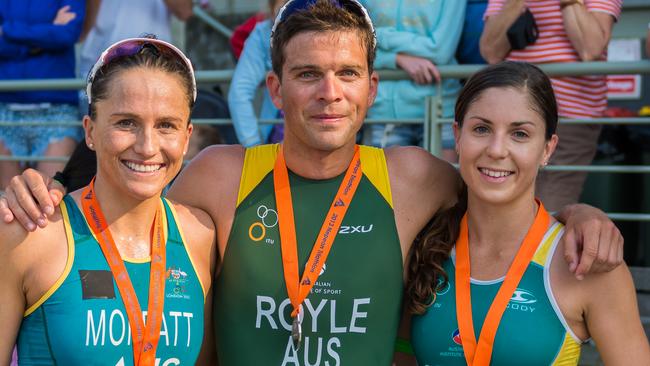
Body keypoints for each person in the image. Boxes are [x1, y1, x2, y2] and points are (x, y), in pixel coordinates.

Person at [0, 1, 625, 364]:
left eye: (347, 73)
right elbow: (126, 187)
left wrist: (582, 217)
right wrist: (38, 192)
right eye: (307, 75)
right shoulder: (219, 176)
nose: (330, 94)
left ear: (371, 89)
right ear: (274, 88)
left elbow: (506, 193)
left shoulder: (411, 178)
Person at [407, 62, 650, 365]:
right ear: (457, 136)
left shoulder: (588, 260)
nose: (497, 150)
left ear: (547, 149)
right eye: (481, 129)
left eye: (519, 134)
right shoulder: (424, 246)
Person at [0, 37, 216, 365]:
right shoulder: (31, 233)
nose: (147, 146)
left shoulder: (201, 238)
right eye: (126, 122)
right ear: (90, 131)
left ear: (186, 138)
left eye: (166, 126)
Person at [480, 0, 622, 212]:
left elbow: (590, 49)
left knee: (548, 210)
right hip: (512, 112)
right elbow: (490, 51)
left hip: (571, 116)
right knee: (501, 210)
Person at [359, 0, 465, 161]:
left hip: (439, 110)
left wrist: (380, 36)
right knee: (384, 186)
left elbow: (440, 51)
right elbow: (356, 48)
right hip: (382, 112)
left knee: (441, 184)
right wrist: (396, 59)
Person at [0, 0, 85, 189]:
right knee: (8, 204)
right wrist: (46, 33)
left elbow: (67, 34)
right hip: (5, 110)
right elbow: (57, 36)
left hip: (56, 111)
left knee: (49, 199)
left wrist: (8, 30)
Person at [228, 0, 287, 147]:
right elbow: (239, 91)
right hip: (277, 137)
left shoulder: (332, 24)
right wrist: (253, 145)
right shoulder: (263, 33)